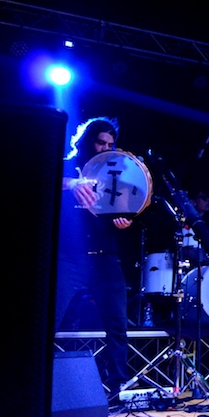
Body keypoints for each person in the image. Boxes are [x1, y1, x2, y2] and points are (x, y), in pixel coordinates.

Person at [56, 116, 133, 398]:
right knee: (50, 318)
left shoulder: (114, 174)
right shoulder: (67, 164)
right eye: (100, 142)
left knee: (117, 325)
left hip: (104, 258)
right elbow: (43, 178)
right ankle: (38, 383)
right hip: (69, 258)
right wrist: (73, 183)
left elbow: (126, 208)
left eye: (110, 144)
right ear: (88, 140)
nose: (105, 148)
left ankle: (118, 388)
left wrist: (124, 221)